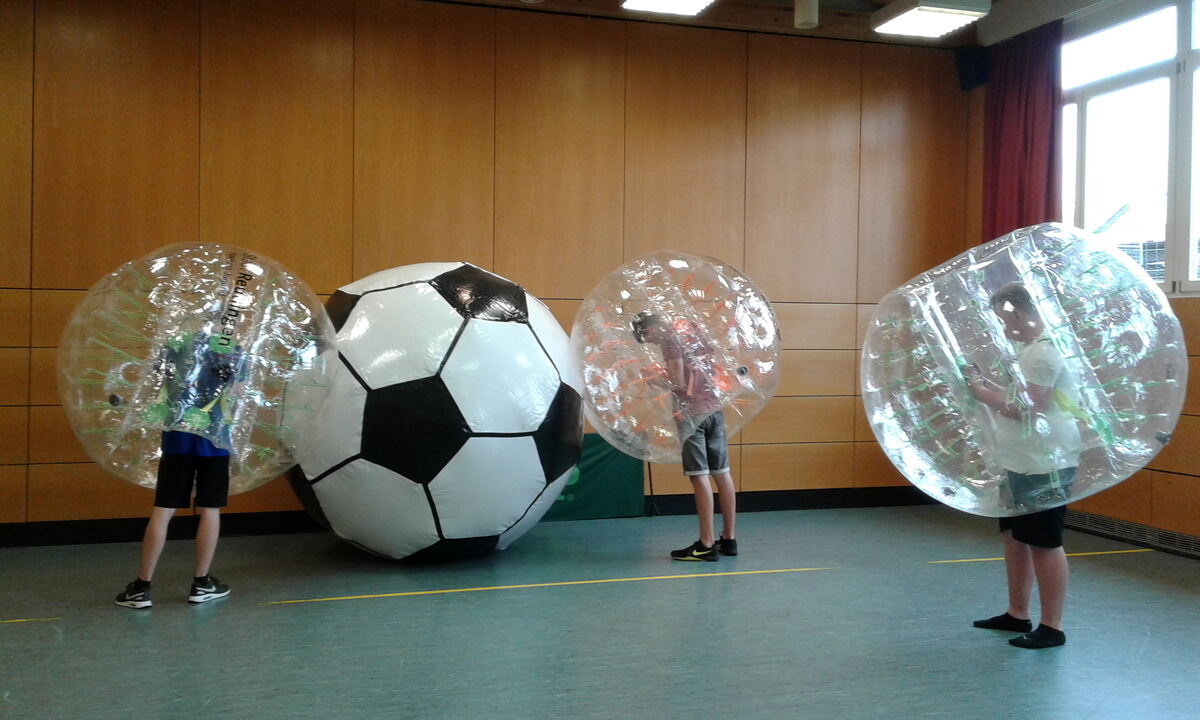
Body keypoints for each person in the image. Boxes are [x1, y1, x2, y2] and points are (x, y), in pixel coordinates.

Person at [963, 282, 1082, 649]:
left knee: (1044, 542)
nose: (1002, 328)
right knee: (1015, 537)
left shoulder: (1042, 353)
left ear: (1016, 313)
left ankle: (1052, 626)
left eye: (1003, 320)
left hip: (1044, 463)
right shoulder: (1029, 351)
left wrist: (980, 392)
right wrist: (985, 384)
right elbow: (1021, 396)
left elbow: (1029, 409)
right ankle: (1017, 612)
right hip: (1022, 460)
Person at [115, 332, 243, 608]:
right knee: (210, 509)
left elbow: (160, 382)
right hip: (215, 441)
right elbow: (239, 392)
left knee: (163, 509)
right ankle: (202, 583)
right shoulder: (232, 350)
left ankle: (141, 587)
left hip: (177, 439)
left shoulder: (176, 345)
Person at [632, 311, 737, 562]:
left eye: (648, 338)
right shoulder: (694, 332)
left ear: (649, 329)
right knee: (722, 473)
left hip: (691, 415)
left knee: (699, 476)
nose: (653, 343)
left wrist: (653, 378)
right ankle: (728, 539)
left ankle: (706, 544)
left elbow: (678, 383)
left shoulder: (670, 339)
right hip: (714, 409)